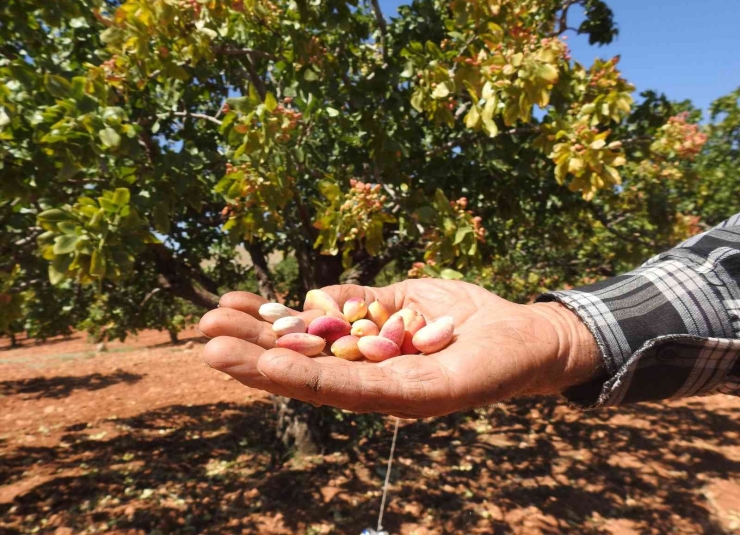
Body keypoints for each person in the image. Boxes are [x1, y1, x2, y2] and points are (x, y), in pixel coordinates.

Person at [198, 212, 740, 417]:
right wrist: (560, 330)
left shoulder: (372, 325)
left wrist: (557, 331)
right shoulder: (362, 324)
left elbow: (352, 333)